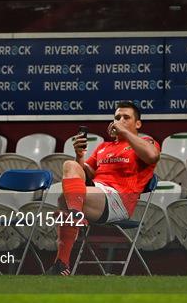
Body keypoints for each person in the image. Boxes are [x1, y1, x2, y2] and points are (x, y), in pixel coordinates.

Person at [46, 101, 160, 275]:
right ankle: (64, 256)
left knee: (64, 201)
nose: (119, 121)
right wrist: (79, 156)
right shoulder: (103, 147)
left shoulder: (146, 142)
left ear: (138, 124)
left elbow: (152, 156)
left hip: (118, 200)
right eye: (117, 118)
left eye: (126, 117)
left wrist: (125, 133)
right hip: (97, 193)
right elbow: (85, 176)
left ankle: (63, 258)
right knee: (70, 165)